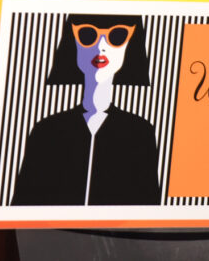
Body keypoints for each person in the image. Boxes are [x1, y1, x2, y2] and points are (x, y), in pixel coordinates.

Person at [11, 14, 160, 206]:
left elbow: (148, 208)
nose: (101, 46)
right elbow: (23, 206)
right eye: (88, 35)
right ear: (73, 42)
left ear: (130, 44)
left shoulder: (140, 132)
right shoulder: (46, 131)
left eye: (117, 36)